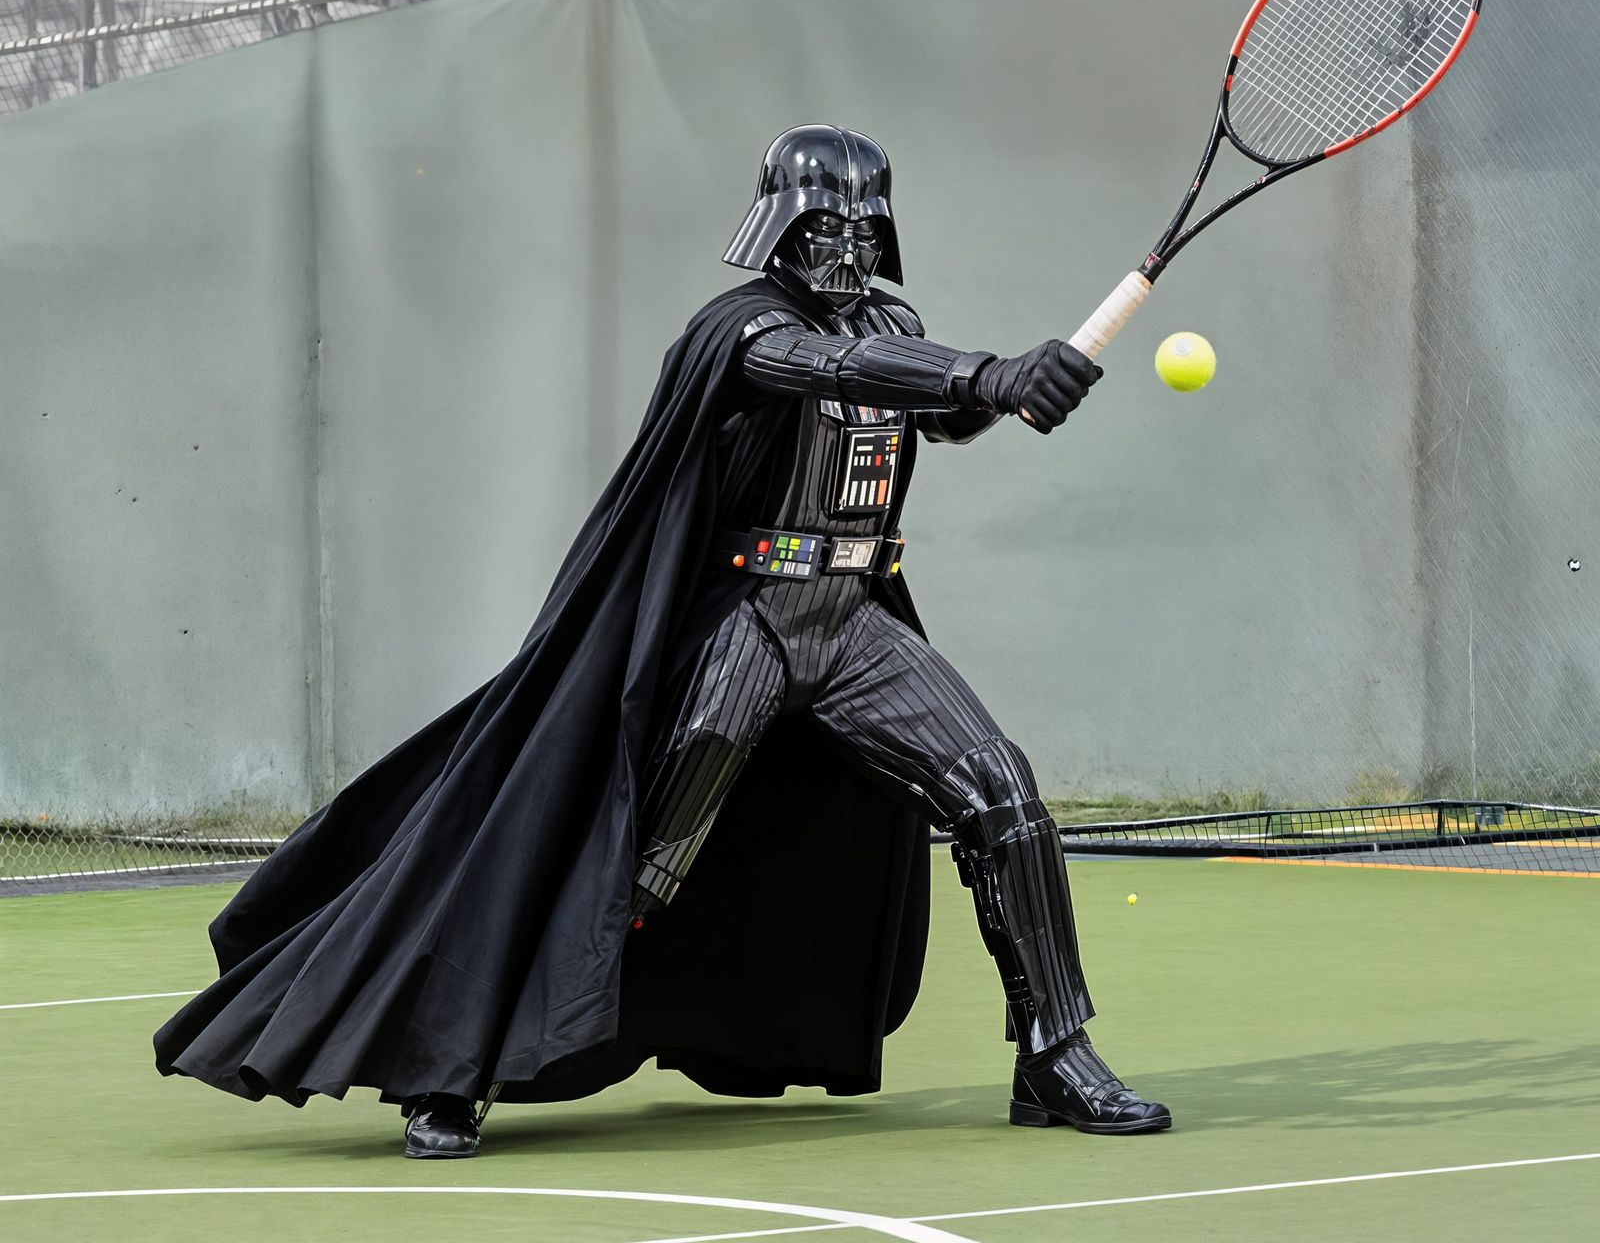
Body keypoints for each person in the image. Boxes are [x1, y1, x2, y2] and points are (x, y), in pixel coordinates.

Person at [155, 125, 1170, 1157]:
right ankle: (455, 1063)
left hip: (853, 622)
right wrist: (988, 373)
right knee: (635, 860)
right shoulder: (738, 330)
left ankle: (1054, 1053)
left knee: (1002, 790)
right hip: (745, 622)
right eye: (824, 226)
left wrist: (1034, 380)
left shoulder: (893, 322)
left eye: (865, 229)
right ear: (776, 223)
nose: (846, 250)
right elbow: (829, 365)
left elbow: (934, 412)